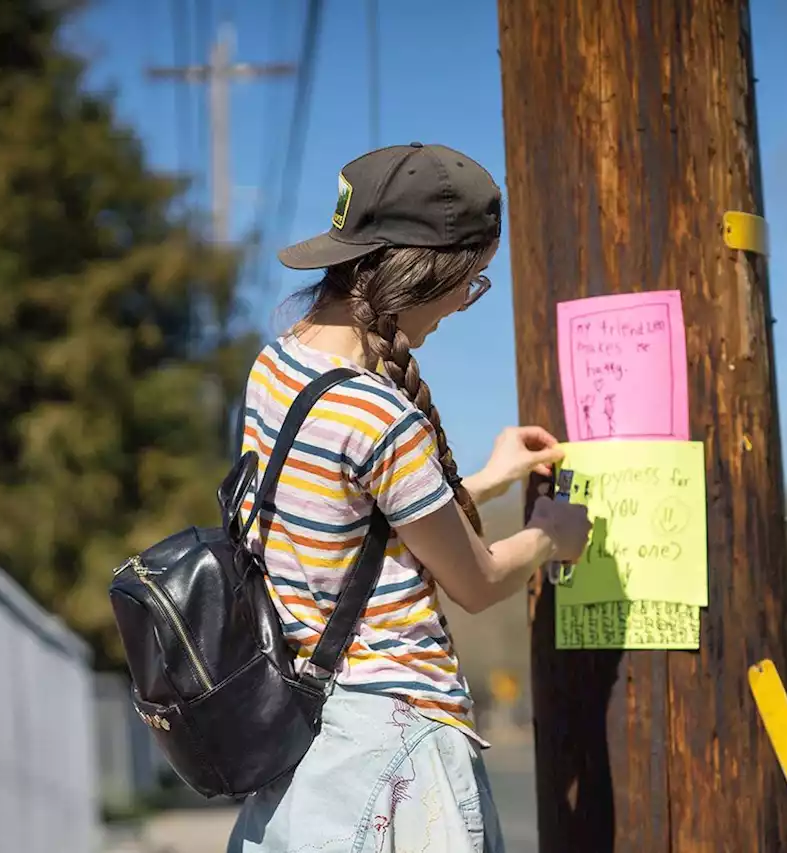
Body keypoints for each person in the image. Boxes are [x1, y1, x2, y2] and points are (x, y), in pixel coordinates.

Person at [226, 143, 591, 853]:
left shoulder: (277, 366)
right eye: (472, 283)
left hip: (303, 750)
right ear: (427, 273)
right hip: (397, 760)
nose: (463, 305)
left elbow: (346, 516)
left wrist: (486, 478)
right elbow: (477, 581)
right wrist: (551, 534)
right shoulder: (378, 415)